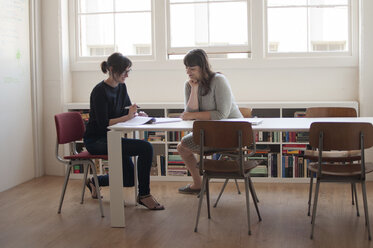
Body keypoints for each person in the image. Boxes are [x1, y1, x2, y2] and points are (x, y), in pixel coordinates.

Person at [83, 52, 164, 210]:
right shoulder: (99, 91)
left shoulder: (121, 87)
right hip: (96, 140)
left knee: (128, 179)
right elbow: (102, 124)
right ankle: (144, 195)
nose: (127, 75)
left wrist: (136, 114)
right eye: (124, 71)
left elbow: (125, 110)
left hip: (111, 138)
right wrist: (127, 117)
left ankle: (95, 181)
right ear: (112, 69)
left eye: (129, 71)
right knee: (146, 147)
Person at [177, 49, 242, 194]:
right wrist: (194, 89)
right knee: (182, 147)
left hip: (231, 134)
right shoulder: (189, 84)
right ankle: (198, 184)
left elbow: (221, 115)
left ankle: (198, 184)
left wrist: (191, 115)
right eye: (186, 68)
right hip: (210, 132)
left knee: (183, 146)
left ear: (203, 67)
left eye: (192, 68)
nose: (188, 72)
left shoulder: (219, 80)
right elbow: (191, 114)